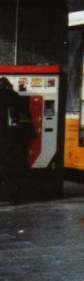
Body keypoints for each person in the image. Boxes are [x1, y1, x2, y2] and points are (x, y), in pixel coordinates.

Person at [0, 77, 34, 205]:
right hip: (13, 141)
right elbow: (25, 119)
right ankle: (14, 198)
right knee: (13, 170)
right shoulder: (16, 99)